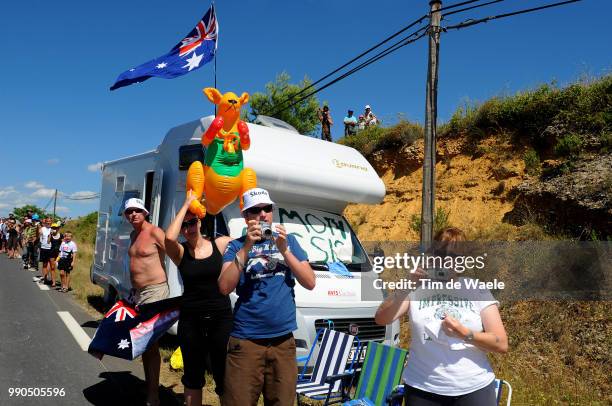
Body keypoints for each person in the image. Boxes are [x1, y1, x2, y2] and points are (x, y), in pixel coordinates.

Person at [375, 227, 508, 406]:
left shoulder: (476, 288)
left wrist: (465, 334)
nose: (447, 261)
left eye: (455, 256)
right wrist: (406, 285)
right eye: (441, 253)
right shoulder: (416, 287)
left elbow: (501, 343)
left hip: (474, 387)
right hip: (422, 387)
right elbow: (381, 318)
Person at [219, 187, 316, 406]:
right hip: (246, 341)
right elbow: (224, 287)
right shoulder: (235, 246)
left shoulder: (288, 241)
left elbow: (309, 282)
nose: (263, 214)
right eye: (255, 210)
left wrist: (285, 251)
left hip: (282, 341)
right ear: (246, 216)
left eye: (267, 208)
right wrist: (246, 248)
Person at [165, 191, 232, 406]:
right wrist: (186, 205)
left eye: (192, 222)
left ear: (200, 222)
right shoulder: (180, 252)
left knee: (223, 374)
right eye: (184, 226)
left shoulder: (220, 245)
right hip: (191, 320)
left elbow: (246, 243)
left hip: (221, 319)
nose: (188, 229)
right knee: (193, 376)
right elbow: (168, 237)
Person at [124, 197, 168, 406]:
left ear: (145, 212)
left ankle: (153, 395)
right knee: (143, 344)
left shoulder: (154, 231)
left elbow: (175, 252)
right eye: (129, 212)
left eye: (137, 211)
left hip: (155, 291)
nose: (133, 214)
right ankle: (150, 386)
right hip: (138, 293)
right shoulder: (134, 234)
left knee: (149, 343)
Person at [38, 218, 54, 286]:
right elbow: (39, 235)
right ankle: (45, 278)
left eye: (49, 221)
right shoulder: (42, 228)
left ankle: (49, 277)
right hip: (43, 247)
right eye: (47, 221)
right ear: (45, 222)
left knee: (51, 265)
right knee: (44, 264)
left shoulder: (53, 229)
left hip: (51, 248)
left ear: (51, 222)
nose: (48, 222)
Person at [49, 222, 63, 289]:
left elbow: (63, 244)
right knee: (52, 267)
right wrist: (50, 235)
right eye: (53, 228)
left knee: (61, 268)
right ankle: (53, 282)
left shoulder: (61, 235)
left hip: (59, 253)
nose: (54, 229)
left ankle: (62, 283)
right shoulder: (51, 235)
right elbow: (48, 242)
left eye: (55, 228)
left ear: (58, 228)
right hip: (52, 252)